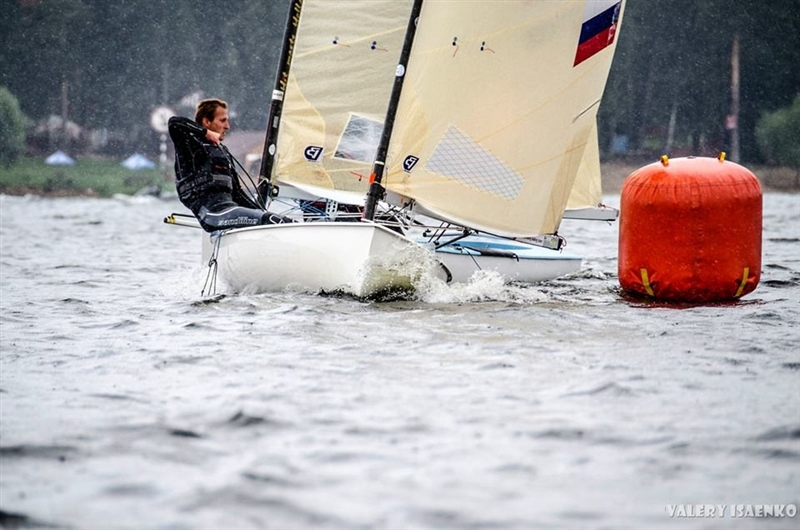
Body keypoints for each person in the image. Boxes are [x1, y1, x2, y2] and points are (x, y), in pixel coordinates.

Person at [168, 98, 290, 231]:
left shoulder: (222, 152)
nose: (227, 126)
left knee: (281, 220)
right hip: (213, 215)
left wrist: (262, 212)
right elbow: (174, 123)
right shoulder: (190, 145)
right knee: (272, 220)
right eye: (222, 120)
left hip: (230, 211)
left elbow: (238, 195)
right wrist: (206, 133)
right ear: (206, 121)